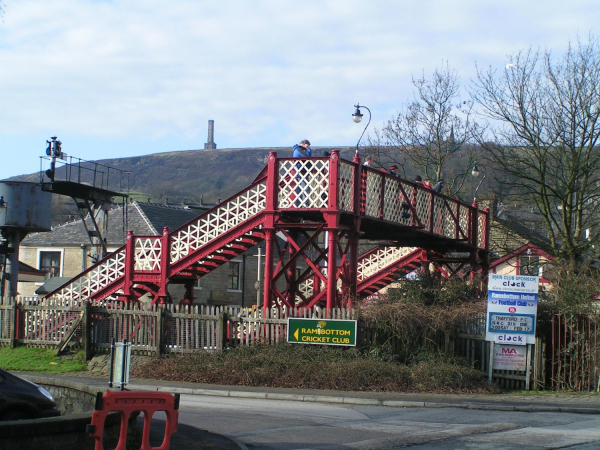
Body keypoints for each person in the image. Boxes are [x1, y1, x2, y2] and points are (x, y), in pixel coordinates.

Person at [292, 139, 312, 207]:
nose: (308, 147)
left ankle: (299, 204)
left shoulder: (298, 149)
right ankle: (304, 204)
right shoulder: (299, 150)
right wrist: (309, 150)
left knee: (300, 188)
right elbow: (307, 157)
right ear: (304, 144)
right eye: (307, 145)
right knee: (305, 188)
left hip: (301, 171)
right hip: (301, 172)